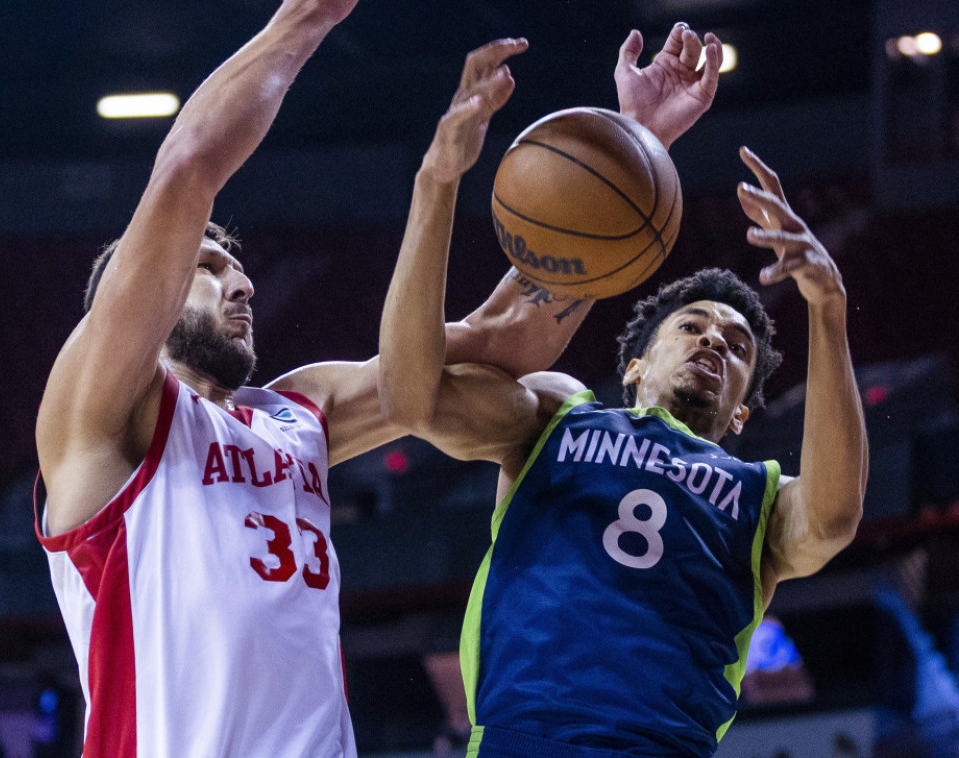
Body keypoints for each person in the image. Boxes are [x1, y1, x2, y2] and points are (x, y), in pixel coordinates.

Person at [32, 4, 594, 756]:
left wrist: (633, 150)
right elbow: (188, 169)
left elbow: (503, 342)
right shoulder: (101, 421)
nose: (244, 287)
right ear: (144, 293)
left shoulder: (301, 411)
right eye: (207, 267)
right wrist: (303, 20)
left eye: (240, 269)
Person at [378, 23, 870, 758]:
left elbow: (832, 519)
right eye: (693, 326)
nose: (713, 341)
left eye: (737, 347)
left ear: (741, 411)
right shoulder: (556, 414)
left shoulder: (760, 496)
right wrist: (437, 182)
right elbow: (413, 397)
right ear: (634, 365)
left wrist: (827, 312)